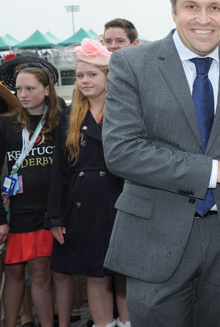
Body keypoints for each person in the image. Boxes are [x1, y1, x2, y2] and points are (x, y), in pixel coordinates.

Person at [101, 0, 220, 327]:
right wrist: (215, 171)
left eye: (215, 8)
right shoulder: (131, 64)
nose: (203, 19)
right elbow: (122, 151)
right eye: (192, 6)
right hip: (155, 238)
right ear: (173, 10)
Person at [46, 39, 130, 327]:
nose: (84, 81)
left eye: (92, 74)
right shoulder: (70, 117)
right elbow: (59, 171)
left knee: (124, 274)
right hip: (84, 206)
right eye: (80, 75)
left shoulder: (125, 112)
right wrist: (56, 217)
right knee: (95, 274)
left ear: (109, 75)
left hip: (121, 202)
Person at [0, 63, 62, 327]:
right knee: (13, 274)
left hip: (51, 212)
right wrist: (0, 217)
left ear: (47, 90)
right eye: (19, 89)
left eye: (30, 88)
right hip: (17, 212)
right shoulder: (5, 125)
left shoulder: (62, 120)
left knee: (40, 275)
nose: (22, 94)